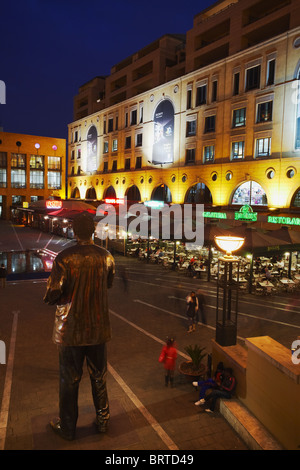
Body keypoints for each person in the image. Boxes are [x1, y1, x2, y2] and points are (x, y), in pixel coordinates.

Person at [44, 212, 115, 441]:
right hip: (98, 328)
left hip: (70, 330)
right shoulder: (106, 257)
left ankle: (67, 428)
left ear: (74, 232)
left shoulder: (64, 258)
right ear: (93, 231)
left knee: (69, 381)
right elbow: (108, 284)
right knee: (99, 377)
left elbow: (52, 294)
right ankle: (103, 420)